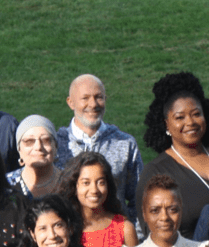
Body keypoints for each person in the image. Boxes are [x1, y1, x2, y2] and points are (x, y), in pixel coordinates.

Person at [137, 72, 209, 241]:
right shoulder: (155, 172)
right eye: (180, 117)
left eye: (196, 114)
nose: (190, 122)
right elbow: (152, 236)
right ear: (166, 124)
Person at [55, 74, 143, 233]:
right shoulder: (55, 145)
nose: (93, 104)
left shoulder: (125, 143)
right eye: (85, 98)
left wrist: (134, 238)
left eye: (99, 97)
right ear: (70, 103)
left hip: (116, 243)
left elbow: (139, 198)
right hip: (68, 243)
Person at [56, 151, 139, 247]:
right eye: (86, 183)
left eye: (101, 182)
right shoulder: (64, 227)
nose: (94, 190)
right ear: (74, 186)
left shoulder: (124, 229)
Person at [5, 115, 60, 199]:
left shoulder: (72, 181)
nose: (38, 147)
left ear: (55, 147)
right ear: (19, 150)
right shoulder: (5, 185)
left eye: (45, 140)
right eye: (29, 141)